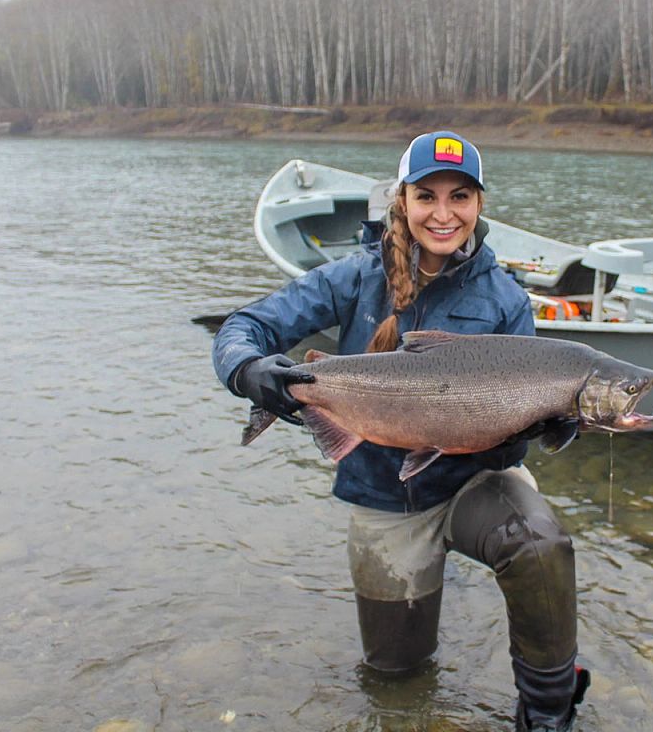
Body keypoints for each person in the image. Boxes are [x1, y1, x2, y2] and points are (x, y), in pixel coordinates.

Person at [212, 131, 589, 731]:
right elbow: (246, 324)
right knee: (395, 676)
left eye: (460, 196)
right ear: (402, 201)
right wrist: (247, 369)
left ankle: (548, 714)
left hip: (474, 482)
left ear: (480, 204)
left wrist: (535, 423)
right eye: (427, 196)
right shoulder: (352, 277)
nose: (444, 214)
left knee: (540, 545)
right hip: (382, 494)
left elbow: (515, 436)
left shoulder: (505, 298)